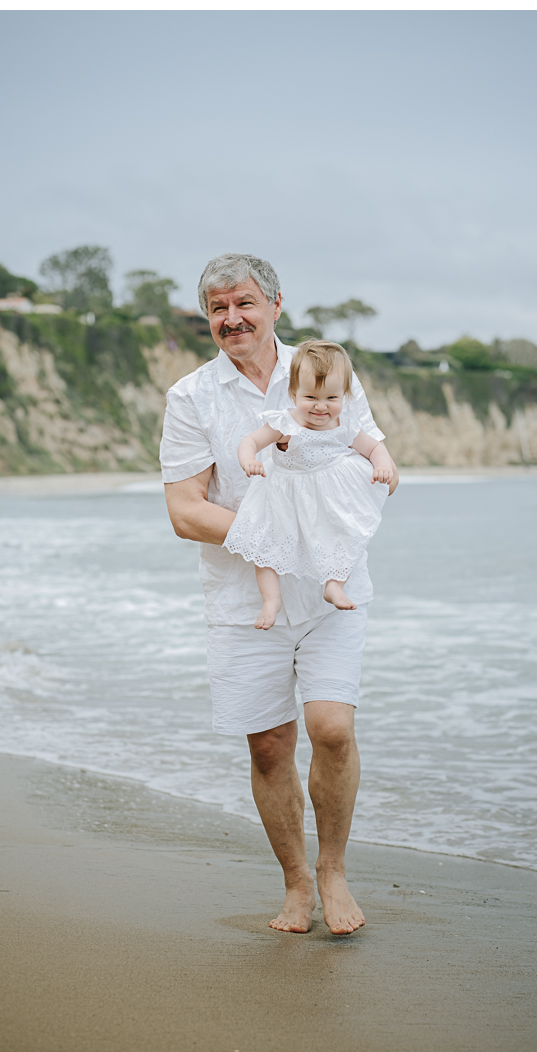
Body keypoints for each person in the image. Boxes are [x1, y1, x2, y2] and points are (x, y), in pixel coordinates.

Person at [161, 253, 399, 935]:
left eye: (243, 304)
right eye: (217, 310)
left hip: (333, 592)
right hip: (245, 599)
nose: (230, 320)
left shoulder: (326, 369)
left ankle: (335, 871)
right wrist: (273, 534)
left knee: (333, 728)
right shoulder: (191, 397)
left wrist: (378, 480)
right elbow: (185, 512)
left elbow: (371, 456)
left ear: (274, 304)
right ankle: (297, 884)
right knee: (268, 746)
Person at [224, 339, 395, 629]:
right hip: (283, 498)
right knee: (265, 546)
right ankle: (271, 600)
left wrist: (382, 465)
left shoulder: (346, 426)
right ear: (293, 393)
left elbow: (374, 448)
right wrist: (248, 459)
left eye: (331, 398)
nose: (321, 406)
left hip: (328, 499)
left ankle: (334, 585)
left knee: (345, 536)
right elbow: (250, 440)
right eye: (311, 397)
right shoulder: (285, 424)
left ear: (344, 396)